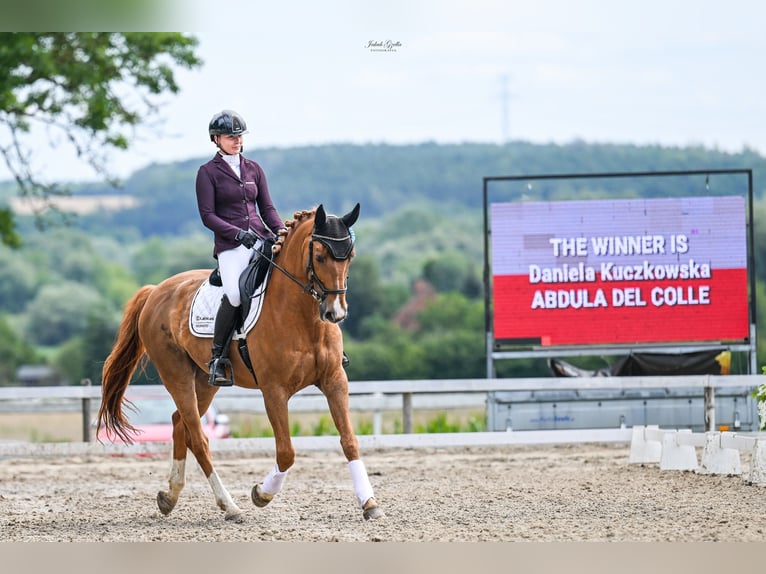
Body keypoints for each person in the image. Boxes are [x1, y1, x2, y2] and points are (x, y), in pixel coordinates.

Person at [196, 110, 285, 386]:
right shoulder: (207, 173)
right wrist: (236, 234)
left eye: (239, 136)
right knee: (235, 293)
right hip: (230, 246)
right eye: (230, 137)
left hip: (260, 238)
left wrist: (282, 231)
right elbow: (208, 216)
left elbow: (267, 208)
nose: (236, 141)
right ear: (216, 139)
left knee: (292, 279)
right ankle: (217, 358)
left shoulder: (254, 169)